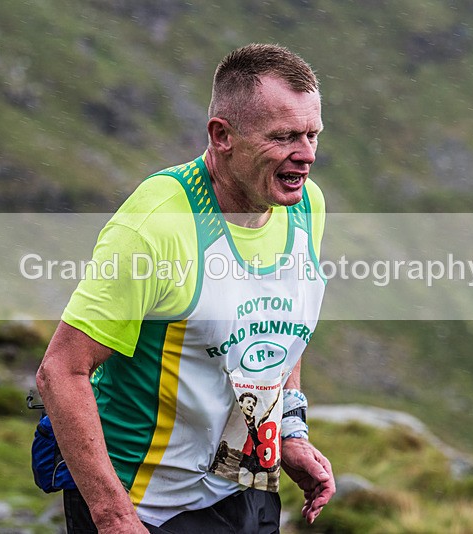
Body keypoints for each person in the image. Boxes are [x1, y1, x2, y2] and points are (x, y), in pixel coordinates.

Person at [36, 43, 335, 533]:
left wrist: (291, 431)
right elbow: (60, 373)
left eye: (312, 135)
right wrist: (113, 518)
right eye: (283, 137)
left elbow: (276, 328)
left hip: (245, 489)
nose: (304, 156)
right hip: (145, 507)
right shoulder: (157, 225)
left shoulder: (304, 206)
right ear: (222, 136)